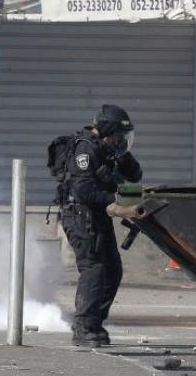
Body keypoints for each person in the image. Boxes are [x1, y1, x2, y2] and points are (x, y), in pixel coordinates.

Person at [60, 104, 142, 348]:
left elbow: (135, 175)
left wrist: (123, 154)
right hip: (80, 216)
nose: (121, 142)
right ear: (106, 132)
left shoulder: (109, 150)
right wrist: (114, 202)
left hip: (99, 217)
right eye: (118, 137)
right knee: (94, 268)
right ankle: (83, 326)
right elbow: (83, 189)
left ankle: (94, 322)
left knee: (112, 270)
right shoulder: (84, 150)